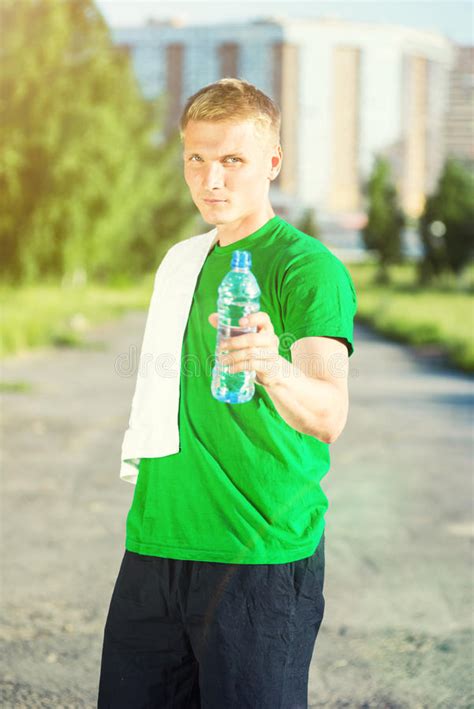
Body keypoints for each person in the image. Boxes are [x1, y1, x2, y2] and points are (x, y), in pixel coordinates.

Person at [98, 78, 357, 708]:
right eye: (197, 159)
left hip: (257, 553)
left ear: (272, 163)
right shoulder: (182, 261)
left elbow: (330, 414)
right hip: (157, 542)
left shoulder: (305, 267)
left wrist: (274, 368)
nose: (211, 180)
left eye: (232, 160)